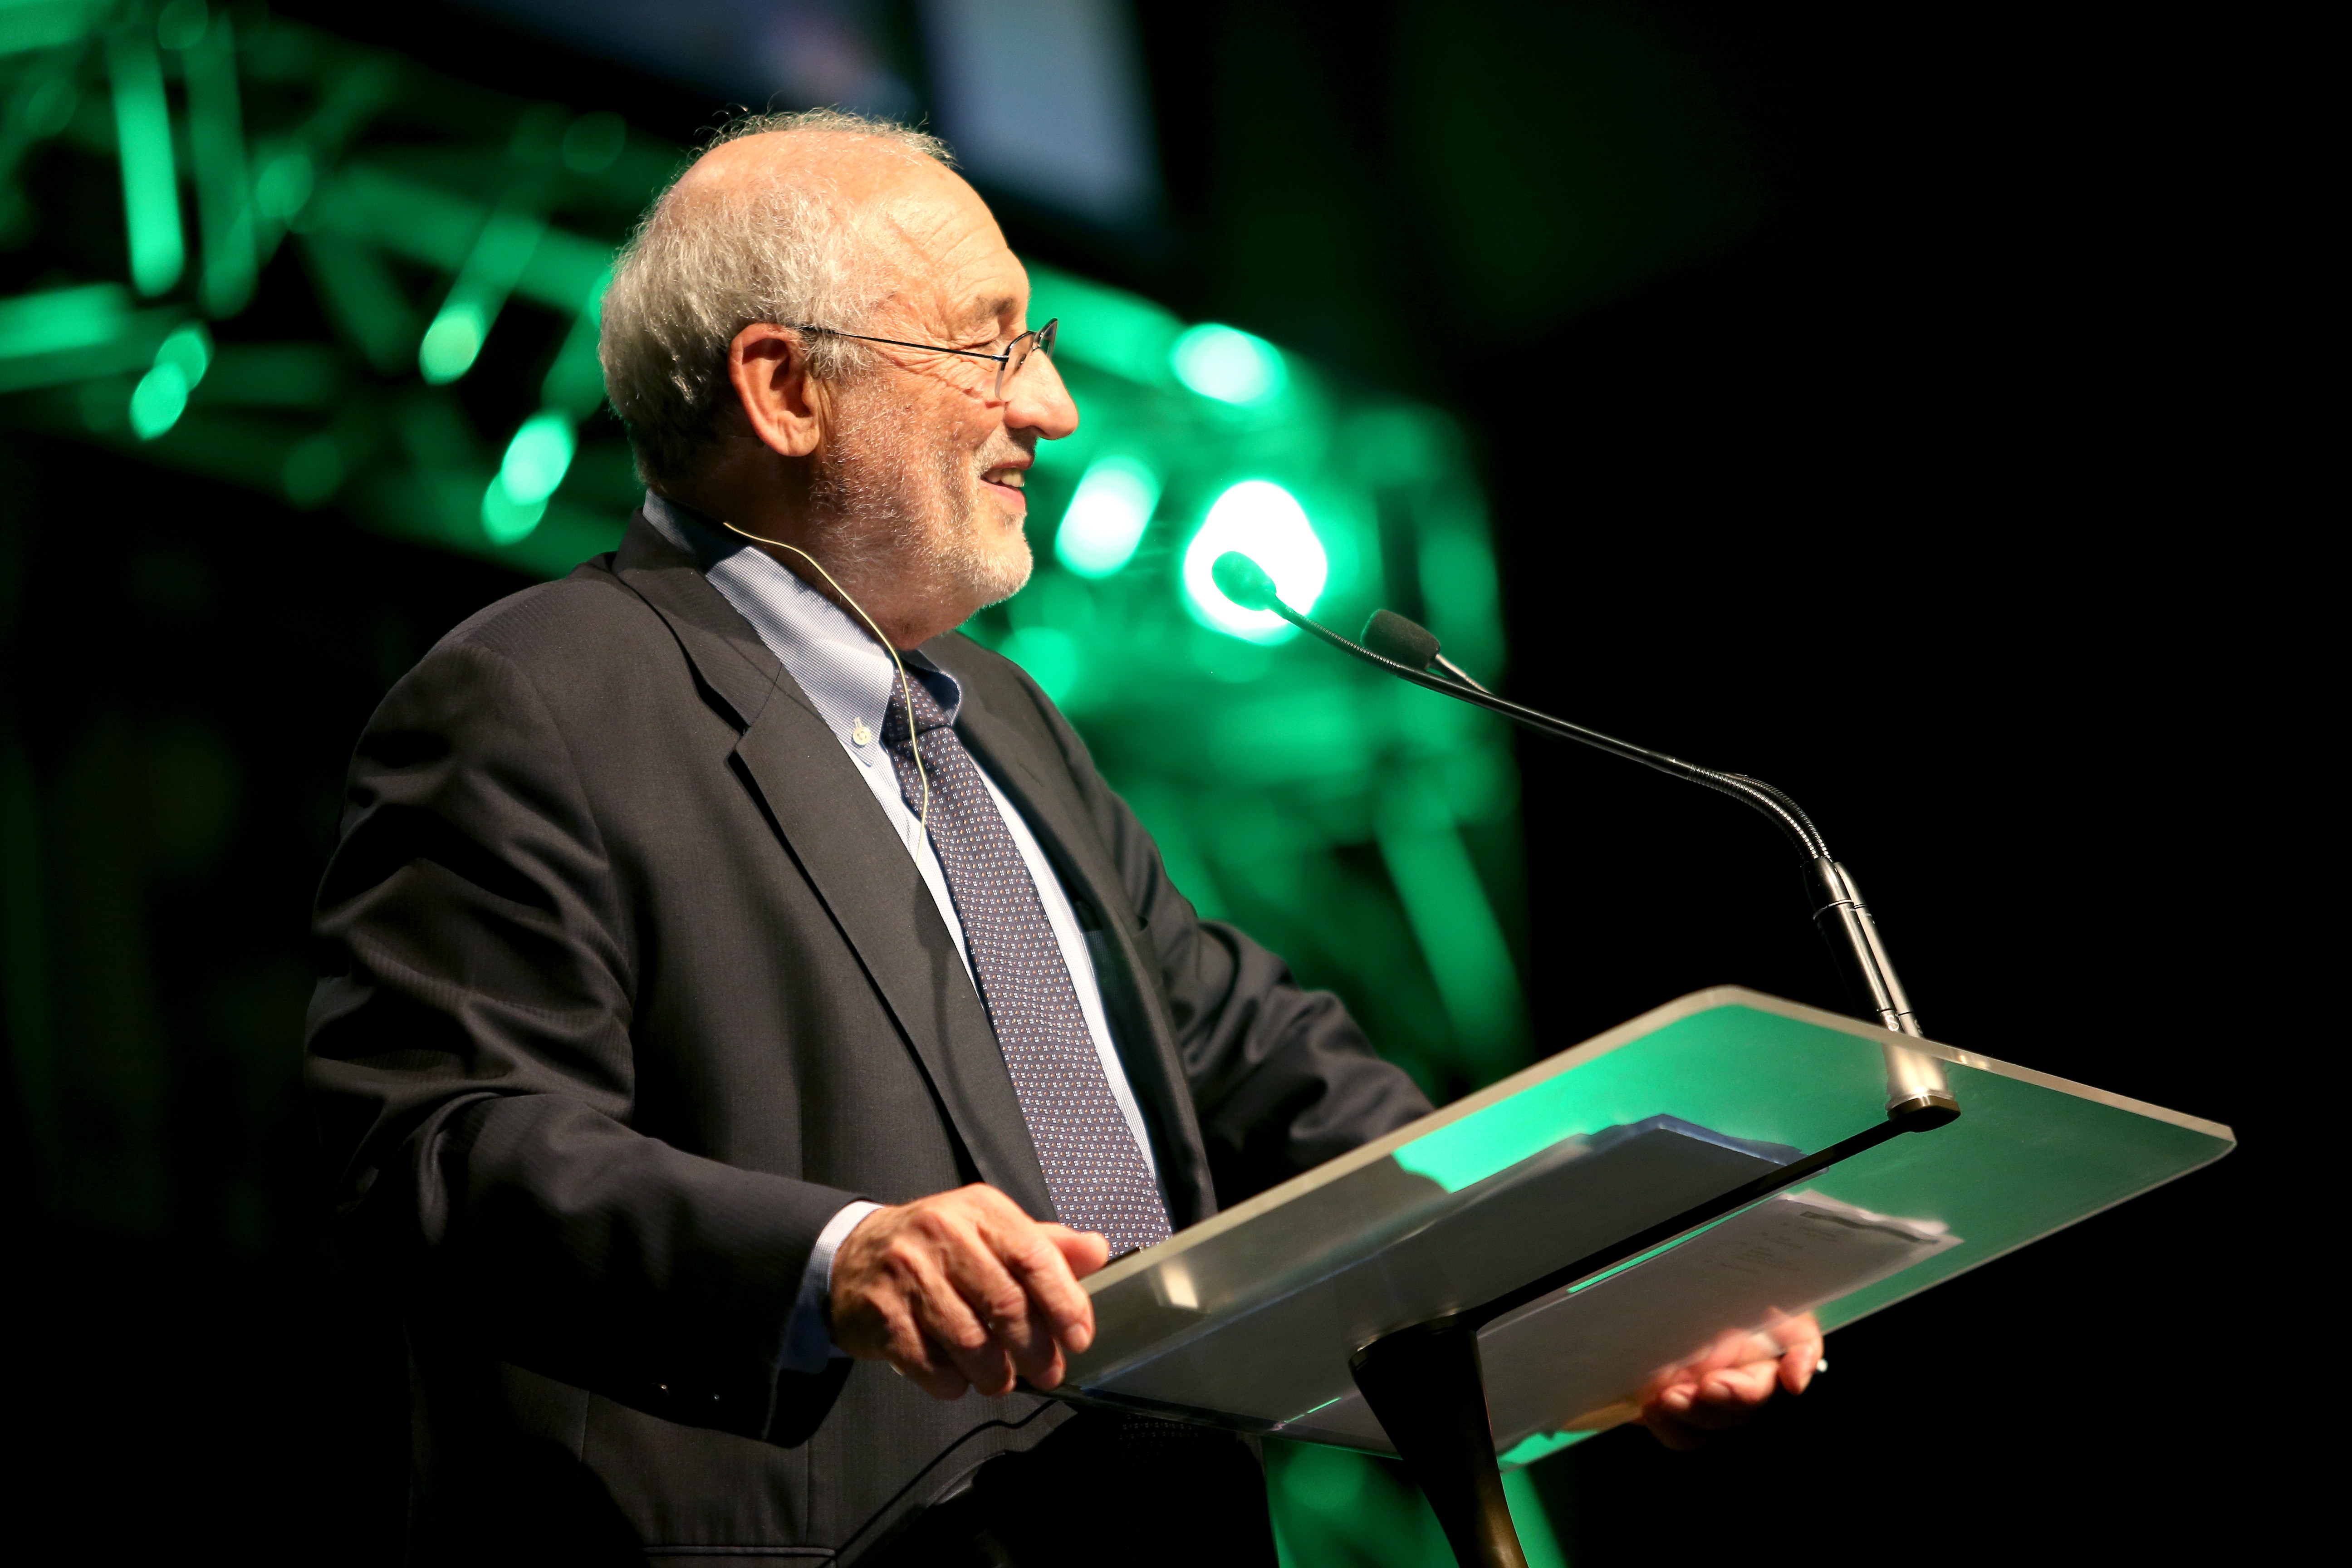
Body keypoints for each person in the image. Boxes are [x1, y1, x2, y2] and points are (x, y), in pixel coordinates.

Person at [304, 109, 1819, 1566]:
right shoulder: (541, 693)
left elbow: (1267, 1066)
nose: (1053, 407)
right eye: (991, 343)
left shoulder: (1010, 724)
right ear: (784, 391)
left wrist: (1611, 1277)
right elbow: (438, 1154)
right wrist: (836, 1261)